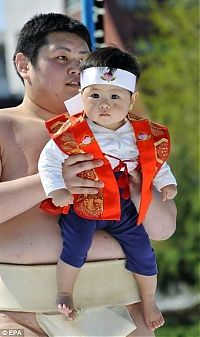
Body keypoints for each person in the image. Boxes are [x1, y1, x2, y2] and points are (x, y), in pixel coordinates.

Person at [0, 13, 177, 337]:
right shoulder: (3, 127)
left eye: (82, 60)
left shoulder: (127, 133)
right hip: (22, 313)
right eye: (61, 57)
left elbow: (164, 230)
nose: (74, 68)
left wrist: (142, 193)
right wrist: (49, 182)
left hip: (124, 309)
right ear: (24, 64)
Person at [38, 46, 177, 330]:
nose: (104, 104)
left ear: (131, 99)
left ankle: (149, 299)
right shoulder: (72, 131)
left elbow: (155, 161)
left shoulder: (141, 133)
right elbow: (49, 161)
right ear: (81, 97)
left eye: (115, 96)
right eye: (95, 95)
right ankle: (65, 292)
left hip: (124, 205)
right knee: (75, 248)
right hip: (84, 203)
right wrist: (57, 189)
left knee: (144, 251)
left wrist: (166, 182)